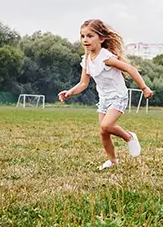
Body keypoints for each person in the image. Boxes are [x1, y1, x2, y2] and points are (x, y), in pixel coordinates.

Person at [58, 19, 153, 170]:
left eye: (90, 36)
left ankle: (129, 137)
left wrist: (144, 88)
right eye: (82, 36)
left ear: (101, 38)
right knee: (103, 132)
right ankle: (113, 161)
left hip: (118, 96)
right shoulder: (87, 60)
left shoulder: (106, 57)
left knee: (106, 125)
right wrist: (69, 92)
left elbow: (130, 69)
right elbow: (83, 84)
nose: (85, 40)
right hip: (104, 99)